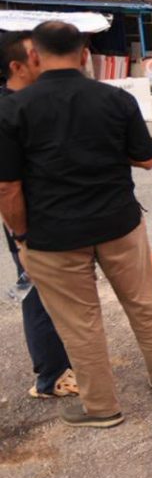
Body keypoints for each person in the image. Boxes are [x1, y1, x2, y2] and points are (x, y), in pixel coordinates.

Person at [0, 21, 152, 429]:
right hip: (119, 223)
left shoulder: (12, 110)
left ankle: (101, 407)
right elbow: (147, 159)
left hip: (53, 236)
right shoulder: (115, 99)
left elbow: (8, 188)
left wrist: (22, 236)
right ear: (85, 55)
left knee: (81, 323)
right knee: (144, 305)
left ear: (33, 56)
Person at [0, 31, 78, 401]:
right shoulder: (8, 110)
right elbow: (7, 187)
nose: (42, 60)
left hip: (53, 215)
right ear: (18, 66)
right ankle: (51, 376)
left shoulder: (33, 100)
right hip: (30, 223)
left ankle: (62, 365)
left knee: (57, 293)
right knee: (38, 292)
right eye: (35, 56)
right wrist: (21, 236)